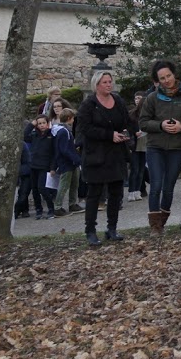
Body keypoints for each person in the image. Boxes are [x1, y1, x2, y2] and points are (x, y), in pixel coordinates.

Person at [76, 71, 133, 247]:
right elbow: (85, 128)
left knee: (116, 193)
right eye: (105, 82)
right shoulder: (88, 105)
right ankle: (90, 231)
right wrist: (109, 135)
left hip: (116, 153)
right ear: (97, 85)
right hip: (96, 154)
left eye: (110, 81)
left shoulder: (119, 101)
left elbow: (127, 121)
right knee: (94, 194)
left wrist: (125, 134)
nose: (109, 85)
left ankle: (112, 228)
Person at [139, 60, 181, 237]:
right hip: (156, 147)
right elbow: (143, 122)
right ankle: (155, 226)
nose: (167, 80)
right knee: (156, 185)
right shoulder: (152, 98)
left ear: (174, 74)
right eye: (162, 78)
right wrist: (161, 125)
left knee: (168, 186)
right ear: (157, 80)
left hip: (177, 147)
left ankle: (162, 222)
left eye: (168, 75)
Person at [49, 108, 80, 217]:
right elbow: (64, 149)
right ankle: (57, 207)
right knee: (64, 185)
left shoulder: (62, 130)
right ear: (68, 118)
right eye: (72, 119)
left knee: (74, 183)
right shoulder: (64, 131)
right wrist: (75, 158)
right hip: (67, 162)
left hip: (70, 161)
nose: (73, 121)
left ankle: (73, 203)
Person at [24, 115, 56, 219]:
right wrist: (31, 124)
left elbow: (53, 154)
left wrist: (52, 168)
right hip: (33, 166)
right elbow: (24, 135)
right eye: (39, 123)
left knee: (42, 188)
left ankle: (51, 208)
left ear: (47, 123)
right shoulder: (34, 135)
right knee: (35, 190)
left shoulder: (51, 136)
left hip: (44, 166)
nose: (42, 125)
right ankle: (39, 209)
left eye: (43, 123)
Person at [127, 92, 147, 202]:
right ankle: (131, 190)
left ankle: (138, 190)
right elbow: (128, 129)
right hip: (135, 144)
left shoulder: (147, 115)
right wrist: (135, 133)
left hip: (144, 144)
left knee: (141, 169)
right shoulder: (132, 115)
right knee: (134, 169)